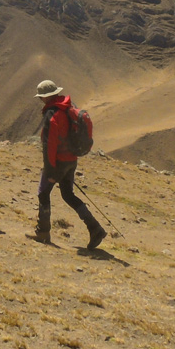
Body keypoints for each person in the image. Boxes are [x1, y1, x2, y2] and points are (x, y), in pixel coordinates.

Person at [34, 79, 106, 249]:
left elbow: (49, 145)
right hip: (71, 161)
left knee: (43, 194)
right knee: (68, 195)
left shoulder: (52, 114)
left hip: (57, 162)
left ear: (45, 97)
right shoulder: (68, 108)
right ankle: (95, 228)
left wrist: (50, 171)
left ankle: (43, 233)